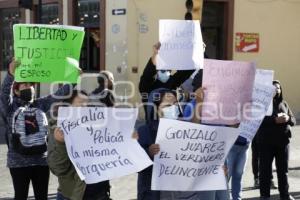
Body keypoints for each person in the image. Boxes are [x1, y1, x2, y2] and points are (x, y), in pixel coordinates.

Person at [0, 59, 75, 200]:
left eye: (32, 85)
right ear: (16, 90)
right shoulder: (10, 108)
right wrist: (10, 75)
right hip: (18, 163)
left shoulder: (40, 104)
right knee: (20, 196)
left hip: (41, 161)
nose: (30, 87)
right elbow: (4, 95)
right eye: (25, 85)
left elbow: (59, 95)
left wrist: (73, 79)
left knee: (42, 197)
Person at [47, 89, 112, 200]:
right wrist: (61, 144)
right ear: (68, 108)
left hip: (100, 193)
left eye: (87, 105)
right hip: (73, 195)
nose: (84, 109)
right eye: (80, 105)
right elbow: (58, 169)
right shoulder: (58, 130)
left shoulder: (97, 127)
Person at [258, 80, 296, 200]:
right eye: (274, 88)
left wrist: (288, 118)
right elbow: (258, 120)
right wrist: (275, 120)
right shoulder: (262, 105)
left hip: (283, 143)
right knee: (265, 171)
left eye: (278, 88)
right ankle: (264, 196)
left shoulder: (284, 103)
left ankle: (284, 195)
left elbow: (294, 120)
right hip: (266, 143)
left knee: (283, 171)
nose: (277, 90)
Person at [139, 42, 194, 122]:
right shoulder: (146, 88)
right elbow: (147, 76)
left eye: (167, 67)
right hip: (154, 129)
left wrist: (197, 54)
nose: (165, 70)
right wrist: (155, 56)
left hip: (174, 128)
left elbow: (185, 72)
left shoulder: (172, 82)